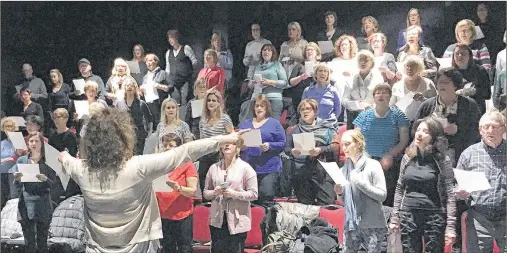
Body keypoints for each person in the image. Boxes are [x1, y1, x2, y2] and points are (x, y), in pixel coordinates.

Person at [58, 107, 248, 253]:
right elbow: (186, 151)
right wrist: (226, 138)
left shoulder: (80, 169)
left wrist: (65, 157)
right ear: (124, 137)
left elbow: (64, 158)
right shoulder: (138, 167)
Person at [390, 117, 457, 252]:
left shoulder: (442, 160)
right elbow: (400, 188)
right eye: (418, 130)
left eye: (425, 131)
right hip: (408, 213)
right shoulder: (408, 156)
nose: (419, 134)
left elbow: (450, 193)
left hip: (433, 215)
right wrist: (395, 217)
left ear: (433, 137)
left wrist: (450, 226)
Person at [454, 111, 506, 253]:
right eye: (486, 127)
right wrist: (460, 193)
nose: (490, 131)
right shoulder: (468, 154)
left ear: (504, 128)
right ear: (480, 130)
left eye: (494, 127)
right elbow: (456, 186)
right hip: (479, 219)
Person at [353, 83, 410, 206]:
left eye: (385, 92)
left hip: (388, 161)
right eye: (378, 93)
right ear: (373, 97)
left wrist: (389, 155)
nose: (381, 95)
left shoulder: (398, 115)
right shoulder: (363, 115)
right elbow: (355, 139)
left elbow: (404, 140)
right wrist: (364, 158)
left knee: (386, 195)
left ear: (390, 96)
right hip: (366, 159)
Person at [415, 67, 481, 165]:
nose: (441, 85)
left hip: (460, 156)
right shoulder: (426, 106)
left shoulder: (469, 105)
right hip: (430, 157)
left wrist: (458, 130)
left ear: (455, 85)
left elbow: (477, 132)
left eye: (445, 82)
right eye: (439, 82)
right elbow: (415, 130)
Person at [334, 129, 387, 252]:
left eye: (348, 144)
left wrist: (360, 183)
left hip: (372, 224)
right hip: (351, 224)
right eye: (343, 144)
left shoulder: (373, 165)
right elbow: (343, 201)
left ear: (358, 144)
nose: (344, 148)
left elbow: (382, 195)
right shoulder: (344, 170)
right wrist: (339, 193)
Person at [203, 137, 258, 253]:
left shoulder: (246, 168)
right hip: (217, 219)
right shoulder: (213, 168)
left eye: (231, 143)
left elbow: (254, 194)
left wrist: (234, 194)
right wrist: (214, 192)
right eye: (224, 143)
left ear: (237, 148)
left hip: (237, 219)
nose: (227, 146)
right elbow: (206, 193)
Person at [285, 99, 337, 205]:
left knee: (327, 203)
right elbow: (286, 148)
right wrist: (292, 151)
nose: (305, 112)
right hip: (302, 172)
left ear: (315, 112)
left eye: (308, 109)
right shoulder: (294, 130)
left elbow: (335, 146)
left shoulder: (327, 128)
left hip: (322, 171)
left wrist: (320, 150)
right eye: (302, 109)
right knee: (306, 206)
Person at [11, 132, 56, 253]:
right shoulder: (22, 160)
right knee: (29, 243)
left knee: (42, 243)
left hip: (42, 203)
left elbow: (54, 185)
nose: (34, 143)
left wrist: (45, 179)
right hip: (26, 203)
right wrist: (17, 179)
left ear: (42, 143)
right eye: (31, 141)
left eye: (36, 141)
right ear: (28, 144)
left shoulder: (48, 162)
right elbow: (17, 186)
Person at [238, 94, 285, 207]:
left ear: (267, 108)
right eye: (257, 106)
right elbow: (238, 143)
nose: (259, 108)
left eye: (262, 106)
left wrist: (270, 146)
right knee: (248, 202)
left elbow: (283, 143)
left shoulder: (275, 124)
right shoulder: (245, 124)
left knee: (266, 199)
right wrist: (241, 147)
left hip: (268, 169)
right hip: (249, 168)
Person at [155, 134, 198, 253]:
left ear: (179, 148)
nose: (167, 148)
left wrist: (179, 188)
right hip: (164, 216)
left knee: (185, 249)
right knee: (167, 249)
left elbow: (192, 191)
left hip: (182, 216)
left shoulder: (187, 164)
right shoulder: (158, 165)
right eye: (165, 145)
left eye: (171, 145)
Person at [198, 89, 234, 195]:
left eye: (214, 100)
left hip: (219, 154)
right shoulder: (203, 118)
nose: (211, 103)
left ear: (219, 103)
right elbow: (201, 137)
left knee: (217, 179)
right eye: (209, 100)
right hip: (205, 153)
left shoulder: (225, 118)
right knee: (203, 178)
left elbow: (232, 136)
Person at [244, 44, 288, 121]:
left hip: (273, 98)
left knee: (273, 123)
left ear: (273, 53)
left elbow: (284, 83)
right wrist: (253, 83)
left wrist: (269, 82)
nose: (266, 52)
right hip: (258, 98)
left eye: (269, 50)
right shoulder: (257, 66)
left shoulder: (277, 65)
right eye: (264, 50)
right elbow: (250, 85)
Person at [342, 50, 383, 129]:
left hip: (372, 114)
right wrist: (355, 105)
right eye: (360, 60)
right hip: (353, 114)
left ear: (371, 63)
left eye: (366, 60)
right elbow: (344, 99)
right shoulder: (350, 79)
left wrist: (371, 107)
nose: (363, 62)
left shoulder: (378, 79)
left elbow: (382, 99)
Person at [390, 56, 437, 123]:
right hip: (402, 125)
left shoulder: (428, 83)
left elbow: (436, 104)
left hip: (423, 124)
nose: (410, 69)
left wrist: (424, 100)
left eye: (413, 66)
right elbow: (392, 107)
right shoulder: (397, 86)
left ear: (419, 68)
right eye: (407, 66)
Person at [48, 108, 80, 199]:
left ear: (66, 119)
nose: (56, 120)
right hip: (55, 168)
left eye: (58, 117)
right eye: (54, 118)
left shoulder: (71, 136)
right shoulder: (52, 136)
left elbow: (71, 155)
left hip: (67, 169)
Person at [451, 44, 491, 115]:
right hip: (456, 112)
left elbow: (487, 93)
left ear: (470, 56)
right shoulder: (449, 73)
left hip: (476, 111)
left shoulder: (480, 71)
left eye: (463, 54)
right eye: (457, 54)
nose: (460, 56)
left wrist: (473, 92)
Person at [116, 81, 154, 155]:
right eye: (127, 86)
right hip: (125, 136)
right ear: (124, 89)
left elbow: (150, 119)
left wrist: (149, 133)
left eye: (131, 86)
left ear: (135, 89)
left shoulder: (142, 104)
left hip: (139, 136)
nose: (129, 87)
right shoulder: (119, 104)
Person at [288, 42, 323, 119]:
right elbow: (291, 82)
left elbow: (326, 82)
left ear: (317, 52)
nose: (309, 52)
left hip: (317, 98)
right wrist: (300, 77)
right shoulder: (300, 65)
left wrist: (316, 76)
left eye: (311, 50)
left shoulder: (322, 66)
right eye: (307, 50)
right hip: (300, 98)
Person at [302, 63, 342, 128]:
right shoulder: (307, 90)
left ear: (328, 75)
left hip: (329, 125)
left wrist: (331, 120)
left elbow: (338, 109)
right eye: (320, 71)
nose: (322, 73)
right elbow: (303, 109)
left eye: (325, 71)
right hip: (311, 125)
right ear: (316, 74)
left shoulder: (333, 91)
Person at [165, 29, 198, 105]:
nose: (170, 40)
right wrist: (168, 80)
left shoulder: (186, 48)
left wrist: (190, 73)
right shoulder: (168, 53)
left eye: (172, 38)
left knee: (184, 100)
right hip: (174, 82)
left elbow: (195, 62)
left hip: (185, 81)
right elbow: (168, 68)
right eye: (169, 38)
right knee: (175, 102)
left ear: (177, 38)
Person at [141, 53, 171, 128]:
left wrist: (161, 86)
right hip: (148, 103)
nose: (148, 63)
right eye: (147, 61)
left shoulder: (163, 73)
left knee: (161, 122)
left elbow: (171, 86)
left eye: (150, 60)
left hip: (159, 103)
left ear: (156, 61)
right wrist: (140, 89)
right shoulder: (145, 77)